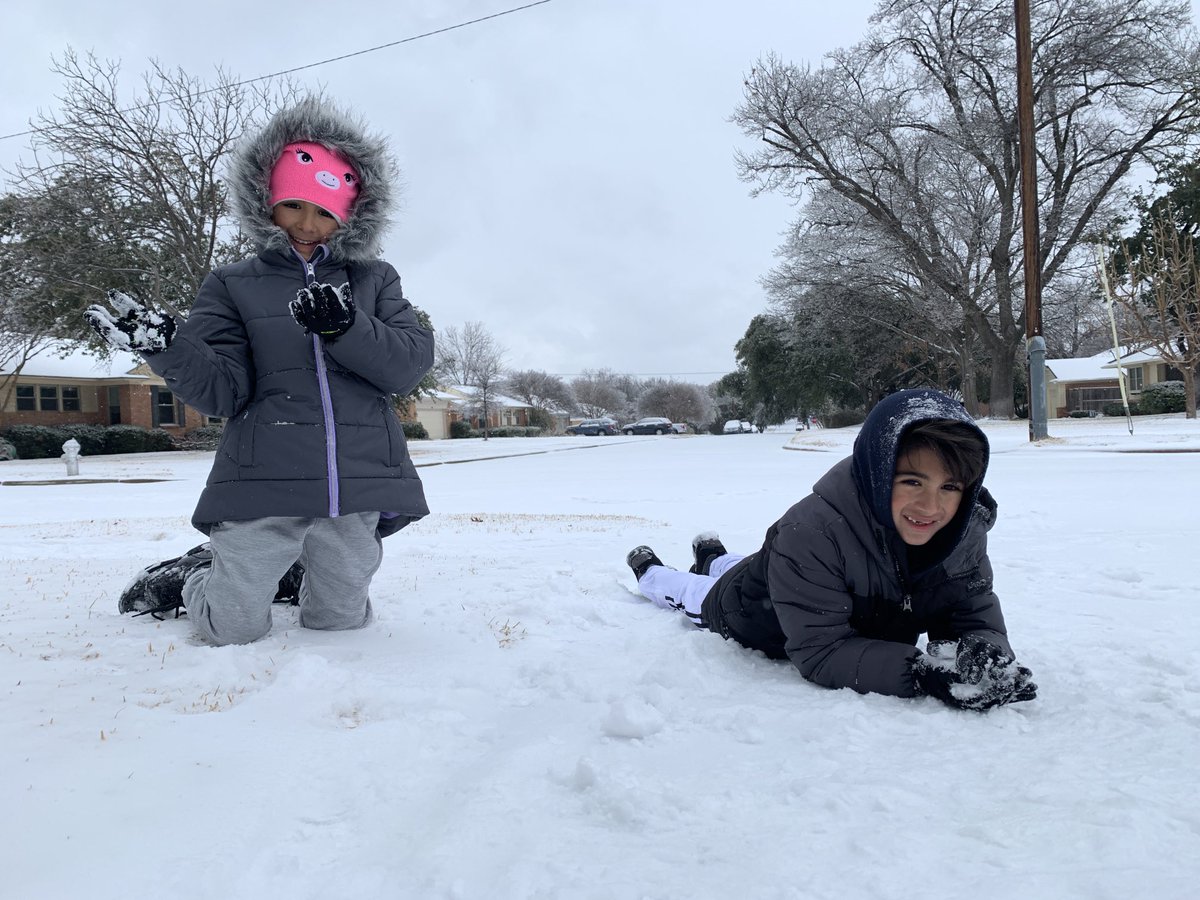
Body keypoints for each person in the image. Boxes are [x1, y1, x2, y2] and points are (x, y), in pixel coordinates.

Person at [85, 97, 433, 646]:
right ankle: (199, 572)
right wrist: (169, 348)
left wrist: (347, 328)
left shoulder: (374, 279)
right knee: (232, 629)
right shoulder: (232, 283)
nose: (307, 224)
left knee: (339, 622)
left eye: (325, 212)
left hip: (356, 478)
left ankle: (296, 571)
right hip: (264, 475)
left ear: (350, 217)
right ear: (267, 202)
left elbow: (408, 365)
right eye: (293, 205)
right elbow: (224, 390)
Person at [625, 388, 1037, 711]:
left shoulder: (963, 530)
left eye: (949, 487)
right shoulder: (811, 533)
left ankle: (713, 555)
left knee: (746, 564)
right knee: (693, 594)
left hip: (785, 574)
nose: (932, 507)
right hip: (748, 609)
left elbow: (972, 608)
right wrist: (921, 674)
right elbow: (821, 651)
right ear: (878, 473)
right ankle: (651, 572)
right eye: (912, 481)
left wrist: (985, 648)